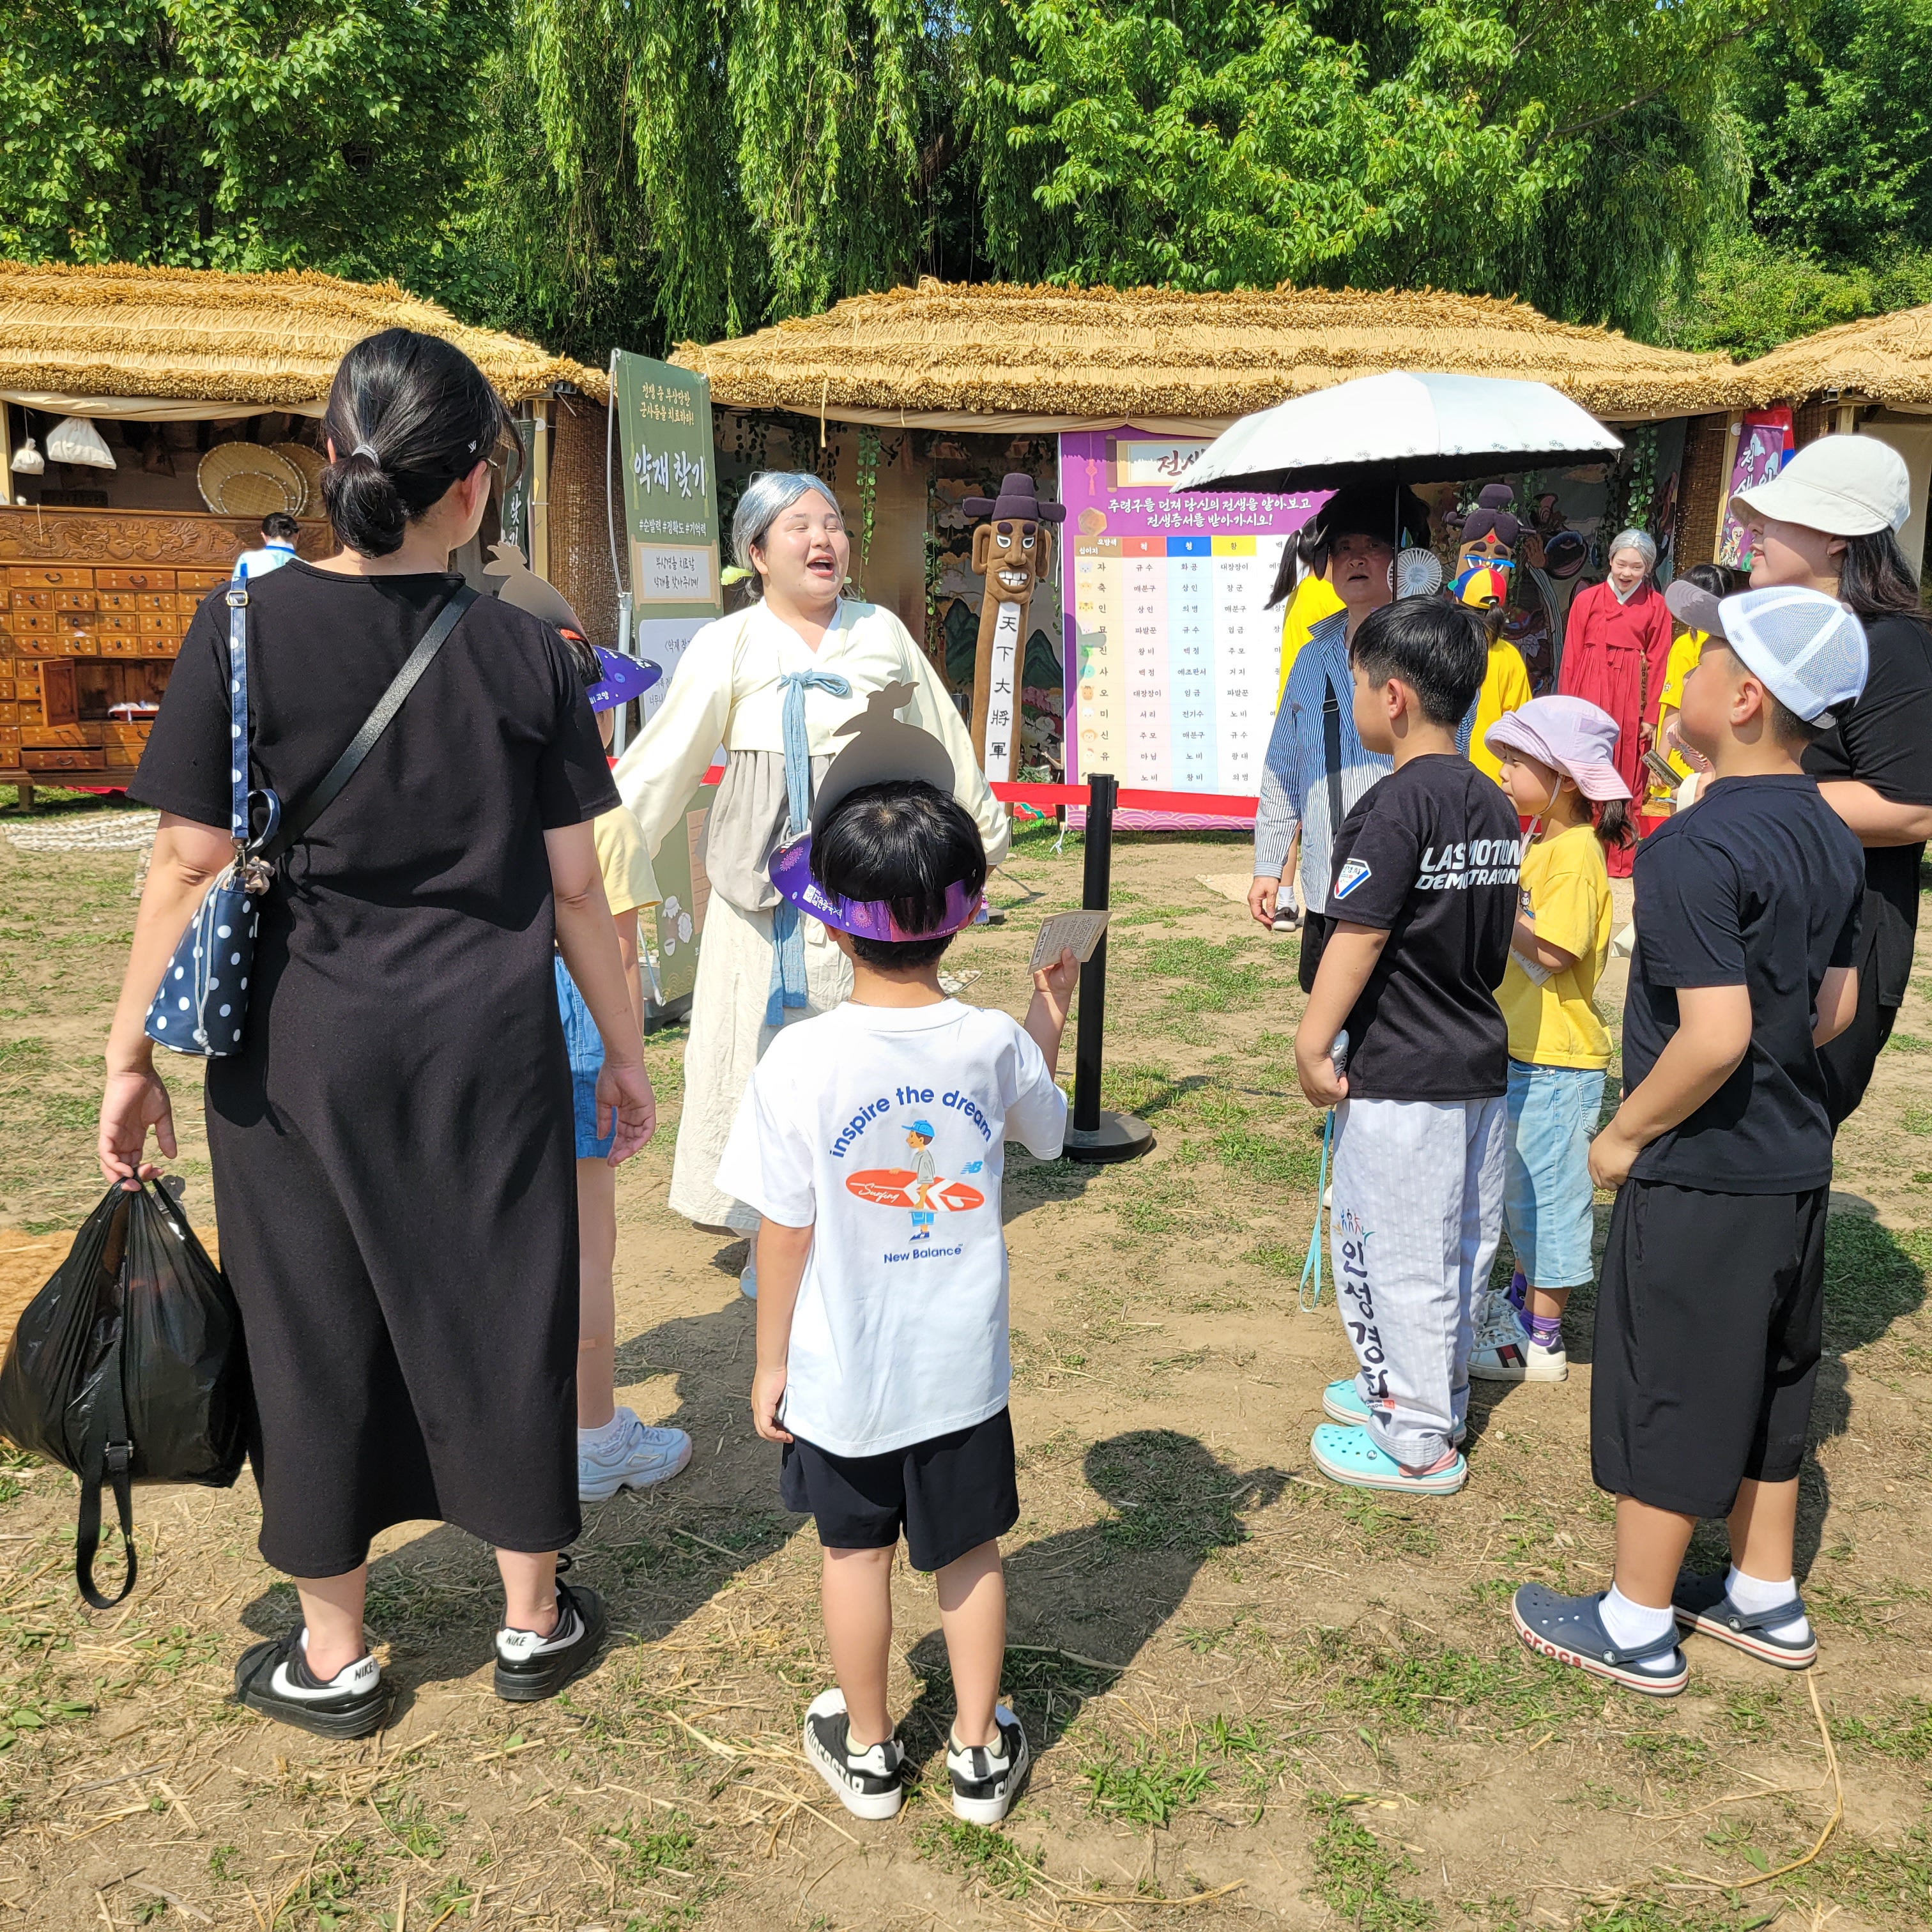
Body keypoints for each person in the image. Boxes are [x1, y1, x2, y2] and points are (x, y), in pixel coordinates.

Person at [98, 328, 656, 1738]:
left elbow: (184, 860)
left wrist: (128, 1057)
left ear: (329, 463)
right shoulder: (529, 649)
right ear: (474, 486)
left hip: (297, 1051)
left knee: (310, 1322)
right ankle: (531, 1616)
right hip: (488, 1044)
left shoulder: (241, 626)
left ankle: (335, 1650)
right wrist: (625, 1050)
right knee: (508, 1300)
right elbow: (576, 888)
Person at [1511, 586, 1866, 1696]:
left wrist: (1622, 1135)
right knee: (1769, 1375)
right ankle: (1762, 1592)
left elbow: (1713, 1036)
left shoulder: (1692, 848)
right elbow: (1835, 1008)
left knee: (1670, 1378)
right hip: (1792, 1162)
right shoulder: (1832, 830)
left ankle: (1634, 1620)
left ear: (1744, 698)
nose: (1682, 675)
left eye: (1702, 660)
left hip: (1702, 1169)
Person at [726, 772, 1077, 1825]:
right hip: (958, 1368)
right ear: (962, 914)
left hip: (842, 1373)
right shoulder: (989, 1040)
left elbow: (784, 1226)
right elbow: (1044, 1128)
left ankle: (871, 1751)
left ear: (834, 926)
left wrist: (770, 1361)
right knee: (968, 1553)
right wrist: (1049, 1003)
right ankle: (977, 1751)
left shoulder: (800, 1058)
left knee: (853, 1553)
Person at [615, 473, 1007, 1299]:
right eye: (799, 525)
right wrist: (598, 858)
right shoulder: (729, 644)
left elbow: (943, 739)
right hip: (762, 907)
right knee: (760, 1066)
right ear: (757, 553)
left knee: (864, 1061)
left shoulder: (880, 633)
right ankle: (774, 1231)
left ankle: (864, 1216)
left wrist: (980, 835)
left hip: (865, 892)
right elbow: (662, 763)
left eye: (832, 523)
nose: (823, 539)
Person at [1292, 601, 1522, 1494]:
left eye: (1356, 683)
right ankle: (1423, 1391)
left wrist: (1314, 1041)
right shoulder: (1494, 801)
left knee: (1391, 1250)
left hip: (1401, 1074)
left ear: (1393, 697)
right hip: (1475, 1062)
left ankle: (1416, 1438)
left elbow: (1359, 934)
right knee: (1459, 1245)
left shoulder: (1393, 806)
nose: (1356, 698)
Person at [1733, 434, 1932, 1128]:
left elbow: (1911, 808)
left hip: (1839, 942)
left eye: (1777, 518)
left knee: (1775, 1136)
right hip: (1763, 915)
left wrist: (1747, 799)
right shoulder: (1783, 633)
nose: (1755, 531)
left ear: (1839, 539)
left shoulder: (1892, 645)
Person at [560, 641, 694, 1502]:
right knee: (588, 1247)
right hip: (575, 1029)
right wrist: (630, 1059)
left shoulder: (474, 791)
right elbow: (617, 950)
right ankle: (595, 1433)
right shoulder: (601, 814)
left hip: (480, 1026)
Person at [1466, 697, 1631, 1384]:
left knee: (1550, 1203)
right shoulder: (1542, 844)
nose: (1502, 774)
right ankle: (1521, 1307)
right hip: (1527, 1052)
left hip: (1557, 1062)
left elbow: (1557, 951)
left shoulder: (1573, 854)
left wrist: (1494, 904)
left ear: (1564, 777)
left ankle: (1541, 1340)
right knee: (1523, 1193)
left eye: (1516, 762)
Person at [1250, 483, 1427, 984]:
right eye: (1344, 547)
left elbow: (1447, 759)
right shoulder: (1312, 657)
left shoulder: (1430, 652)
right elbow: (1283, 768)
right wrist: (1269, 865)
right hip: (1327, 883)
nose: (1356, 559)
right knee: (1327, 1012)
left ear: (1404, 559)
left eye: (1373, 546)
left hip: (1408, 886)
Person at [1557, 530, 1674, 875]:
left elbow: (1659, 661)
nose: (1626, 573)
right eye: (1621, 563)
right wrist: (1567, 706)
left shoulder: (1656, 606)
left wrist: (1651, 715)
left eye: (1636, 567)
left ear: (1648, 569)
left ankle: (1620, 859)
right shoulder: (1587, 600)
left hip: (1630, 695)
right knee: (1584, 768)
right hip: (1589, 688)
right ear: (1609, 560)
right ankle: (1580, 851)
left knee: (1626, 772)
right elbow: (1571, 655)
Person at [1646, 562, 1740, 813]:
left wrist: (1660, 762)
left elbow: (1674, 706)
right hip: (1716, 759)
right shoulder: (1730, 644)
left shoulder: (1686, 645)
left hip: (1683, 758)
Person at [234, 510, 302, 580]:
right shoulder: (306, 567)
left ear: (263, 535)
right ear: (297, 535)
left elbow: (237, 586)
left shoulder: (246, 561)